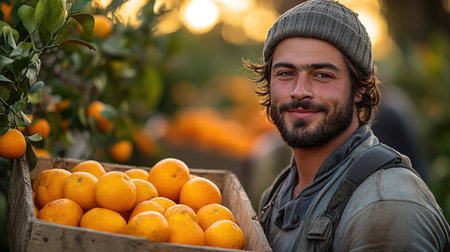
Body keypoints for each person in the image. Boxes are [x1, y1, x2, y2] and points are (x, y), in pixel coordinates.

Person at [243, 0, 450, 251]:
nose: (299, 92)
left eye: (322, 75)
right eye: (285, 73)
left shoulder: (386, 207)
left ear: (359, 88)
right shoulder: (279, 193)